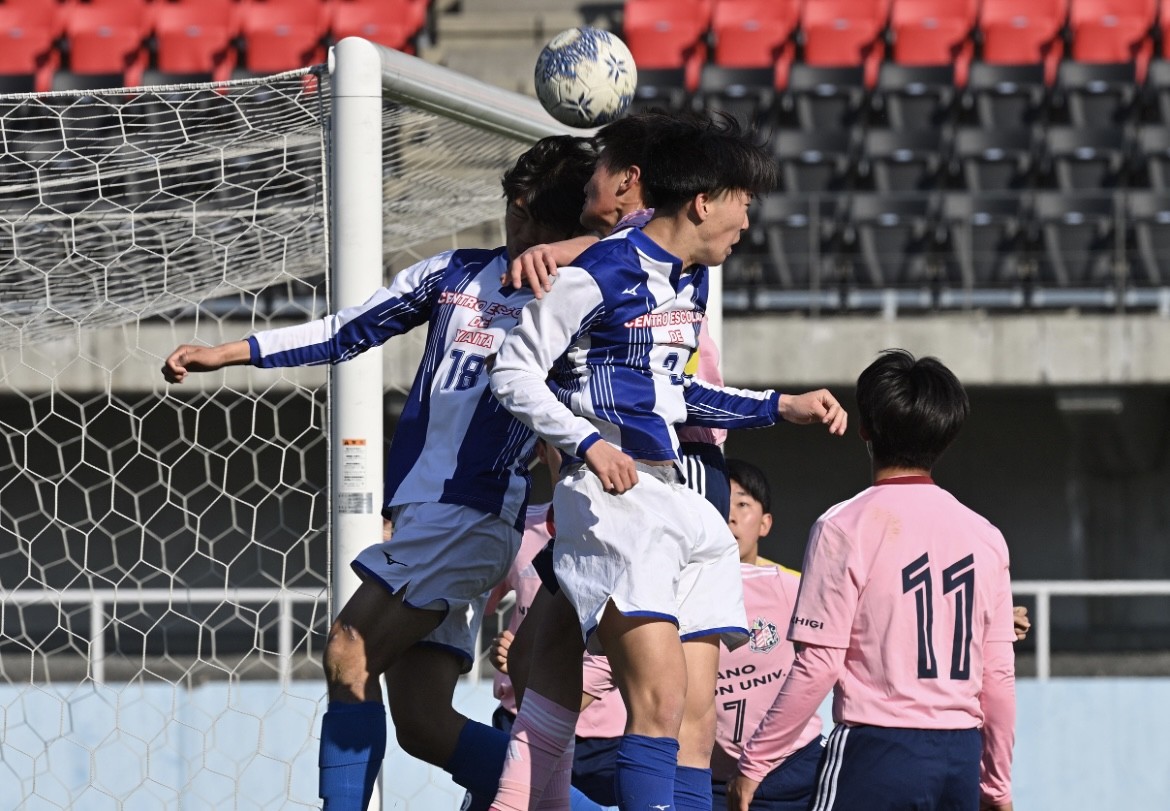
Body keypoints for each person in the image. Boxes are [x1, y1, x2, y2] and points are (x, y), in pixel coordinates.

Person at [160, 135, 599, 811]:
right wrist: (233, 350)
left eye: (533, 215)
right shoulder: (454, 274)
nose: (519, 226)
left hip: (473, 513)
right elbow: (347, 328)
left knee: (348, 650)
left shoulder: (576, 302)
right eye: (518, 211)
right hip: (431, 519)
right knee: (423, 724)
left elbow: (645, 263)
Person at [489, 113, 848, 811]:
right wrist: (589, 443)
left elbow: (675, 393)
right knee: (653, 702)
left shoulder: (691, 282)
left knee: (691, 717)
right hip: (612, 499)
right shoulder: (600, 272)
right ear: (703, 202)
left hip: (677, 495)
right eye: (744, 202)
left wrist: (781, 406)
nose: (748, 222)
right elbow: (513, 370)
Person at [727, 349, 1016, 811]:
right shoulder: (987, 536)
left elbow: (819, 663)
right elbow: (997, 677)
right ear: (946, 435)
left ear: (865, 429)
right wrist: (996, 785)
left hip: (878, 749)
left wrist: (755, 762)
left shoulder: (844, 526)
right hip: (960, 754)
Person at [484, 438, 626, 810]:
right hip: (520, 715)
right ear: (542, 450)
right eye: (564, 441)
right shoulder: (517, 527)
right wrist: (504, 652)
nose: (581, 452)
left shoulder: (627, 530)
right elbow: (474, 602)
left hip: (604, 738)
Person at [712, 458, 826, 811]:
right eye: (719, 501)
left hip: (795, 768)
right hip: (712, 776)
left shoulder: (793, 588)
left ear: (765, 524)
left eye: (742, 504)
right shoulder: (679, 593)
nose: (729, 515)